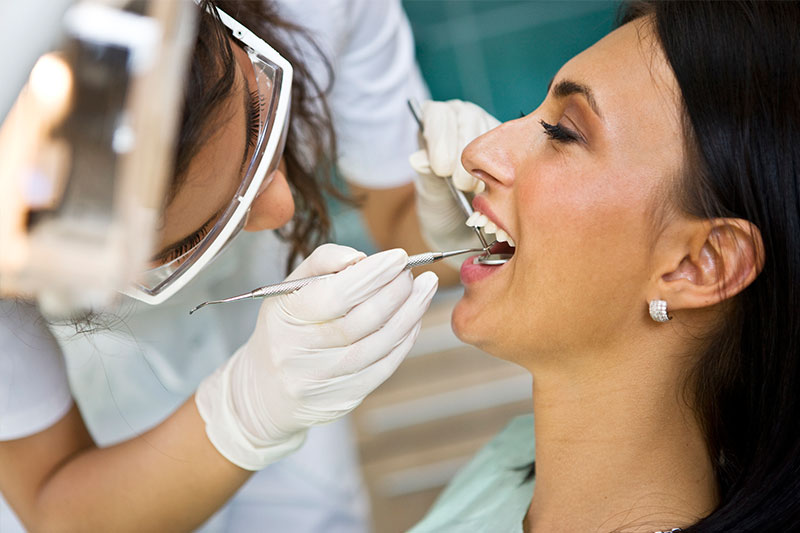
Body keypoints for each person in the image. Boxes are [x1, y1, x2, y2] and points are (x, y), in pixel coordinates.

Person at [0, 0, 470, 531]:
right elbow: (51, 508)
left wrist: (454, 214)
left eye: (257, 120)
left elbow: (402, 219)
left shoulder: (320, 10)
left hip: (303, 472)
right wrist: (245, 412)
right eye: (199, 234)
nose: (283, 209)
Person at [407, 1, 800, 531]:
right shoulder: (503, 467)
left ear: (701, 264)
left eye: (563, 132)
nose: (479, 150)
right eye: (533, 112)